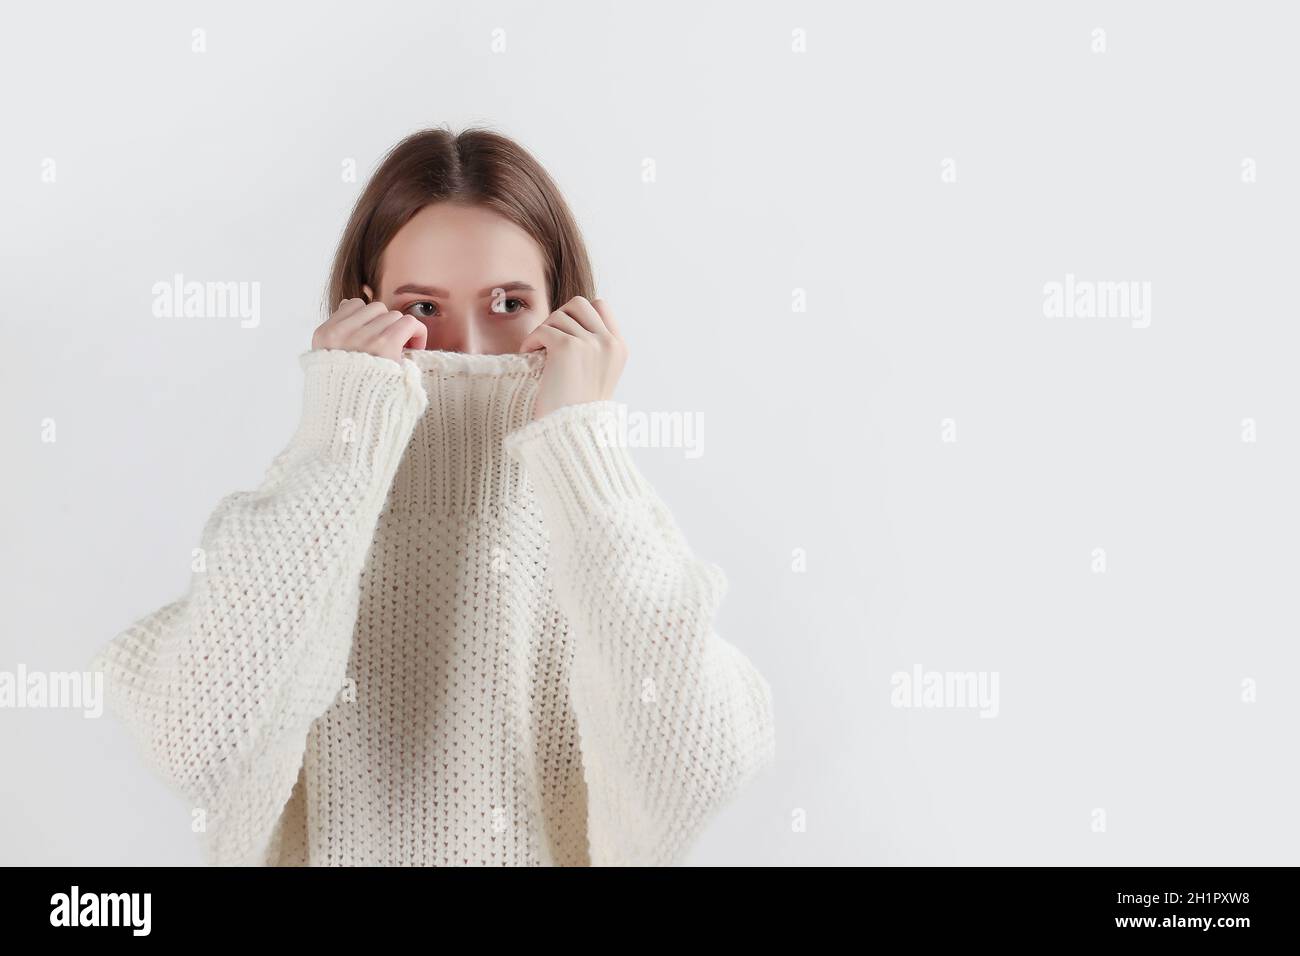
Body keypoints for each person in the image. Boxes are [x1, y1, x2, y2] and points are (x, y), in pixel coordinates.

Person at [89, 125, 776, 866]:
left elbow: (696, 768)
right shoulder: (311, 505)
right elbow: (200, 745)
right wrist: (341, 437)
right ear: (362, 310)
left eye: (509, 303)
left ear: (566, 315)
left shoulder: (600, 523)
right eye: (422, 309)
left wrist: (585, 442)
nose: (469, 351)